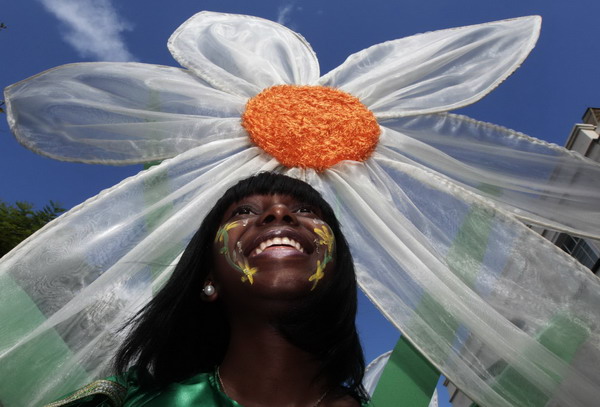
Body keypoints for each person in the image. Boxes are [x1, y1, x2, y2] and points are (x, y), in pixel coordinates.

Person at [46, 172, 369, 407]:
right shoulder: (126, 401)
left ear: (337, 269)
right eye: (244, 211)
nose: (279, 213)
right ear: (208, 279)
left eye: (305, 210)